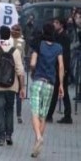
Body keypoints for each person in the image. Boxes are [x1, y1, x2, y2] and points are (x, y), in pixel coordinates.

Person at [29, 23, 64, 158]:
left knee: (35, 112)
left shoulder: (39, 44)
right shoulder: (58, 47)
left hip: (38, 81)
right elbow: (61, 65)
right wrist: (61, 84)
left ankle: (38, 137)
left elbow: (32, 63)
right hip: (50, 84)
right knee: (43, 116)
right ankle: (36, 146)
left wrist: (33, 71)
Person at [46, 17, 72, 124]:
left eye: (56, 23)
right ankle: (66, 115)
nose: (54, 24)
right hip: (57, 67)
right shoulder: (56, 36)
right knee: (60, 91)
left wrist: (64, 69)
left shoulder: (65, 37)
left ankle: (51, 115)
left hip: (62, 69)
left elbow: (65, 55)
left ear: (61, 25)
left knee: (58, 91)